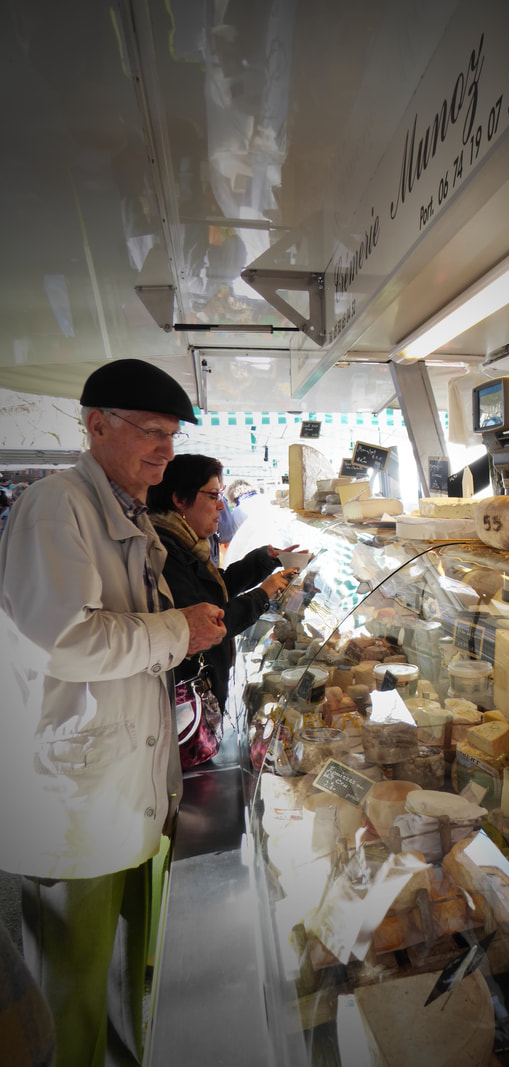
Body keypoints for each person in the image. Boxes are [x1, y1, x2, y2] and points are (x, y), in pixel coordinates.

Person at [0, 358, 227, 1067]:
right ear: (97, 425)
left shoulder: (128, 510)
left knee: (126, 983)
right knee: (71, 1001)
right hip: (71, 807)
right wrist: (176, 630)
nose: (164, 448)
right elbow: (63, 636)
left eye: (172, 434)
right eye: (151, 432)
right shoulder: (55, 506)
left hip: (120, 795)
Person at [147, 454, 297, 714]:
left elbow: (215, 587)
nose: (221, 507)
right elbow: (209, 625)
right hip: (187, 698)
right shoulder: (165, 553)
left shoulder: (184, 543)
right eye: (213, 496)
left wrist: (265, 559)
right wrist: (264, 593)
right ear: (180, 500)